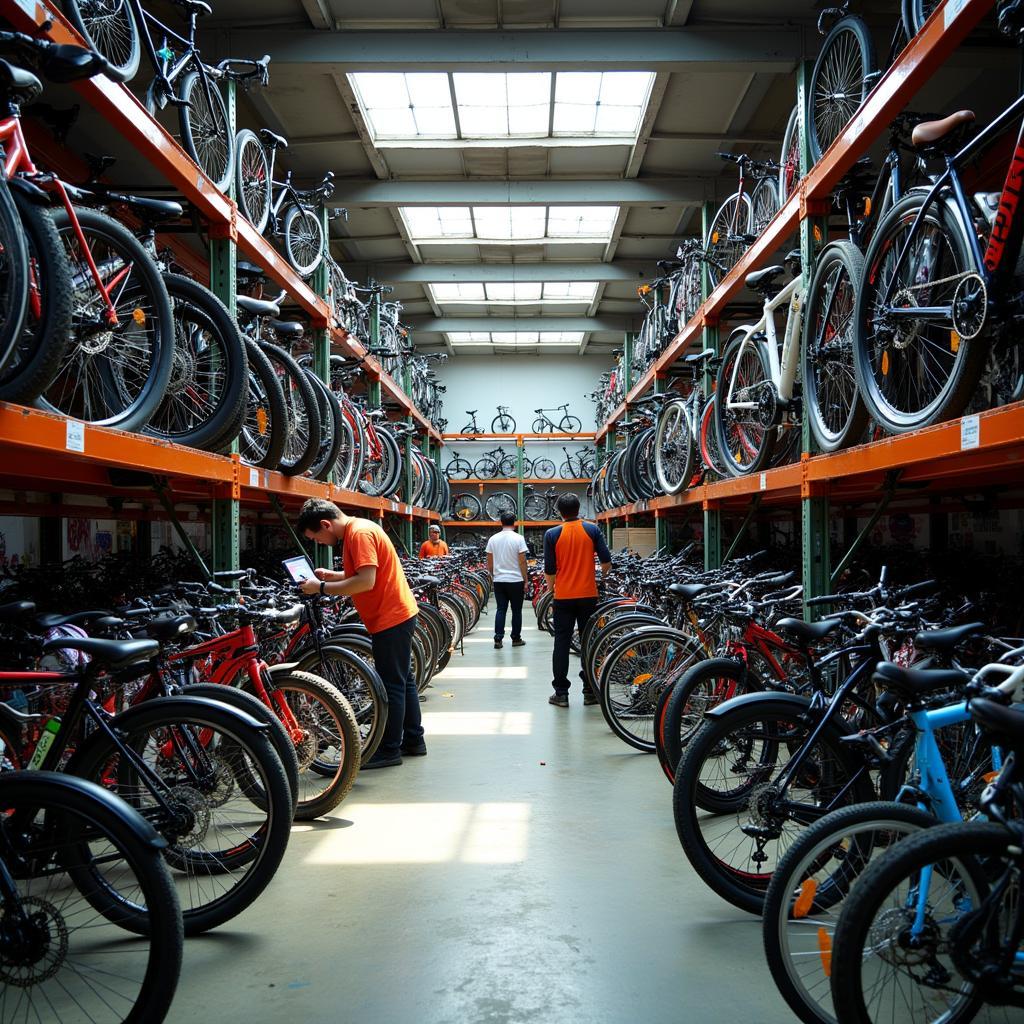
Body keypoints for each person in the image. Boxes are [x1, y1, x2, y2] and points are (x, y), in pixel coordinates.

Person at [295, 498, 425, 768]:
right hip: (396, 614)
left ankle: (389, 750)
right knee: (403, 681)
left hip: (390, 617)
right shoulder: (361, 530)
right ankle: (413, 740)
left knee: (392, 686)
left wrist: (320, 588)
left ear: (325, 524)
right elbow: (365, 572)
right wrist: (333, 576)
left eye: (316, 537)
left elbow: (366, 582)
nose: (319, 543)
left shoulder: (359, 534)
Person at [543, 493, 612, 707]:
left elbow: (550, 569)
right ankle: (589, 690)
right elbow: (606, 561)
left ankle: (561, 693)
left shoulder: (552, 534)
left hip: (563, 596)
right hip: (588, 595)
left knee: (561, 643)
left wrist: (551, 588)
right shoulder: (591, 529)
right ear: (579, 508)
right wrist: (599, 578)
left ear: (559, 512)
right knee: (588, 642)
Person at [485, 511, 529, 650]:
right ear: (514, 522)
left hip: (499, 580)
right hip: (516, 580)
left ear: (501, 522)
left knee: (501, 609)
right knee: (517, 611)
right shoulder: (519, 538)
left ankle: (498, 639)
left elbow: (489, 562)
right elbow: (522, 562)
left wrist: (493, 575)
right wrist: (525, 580)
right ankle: (516, 638)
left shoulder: (493, 539)